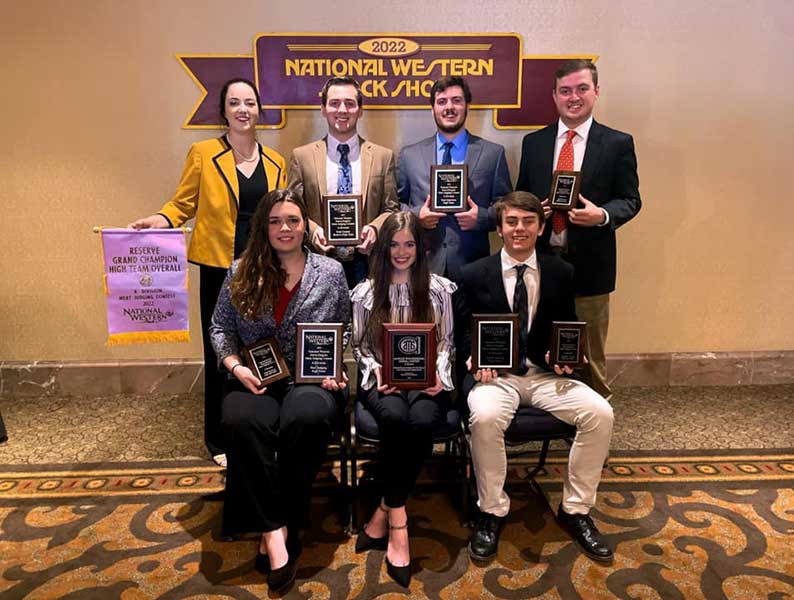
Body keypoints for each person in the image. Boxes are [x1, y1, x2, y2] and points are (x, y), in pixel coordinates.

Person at [129, 78, 287, 465]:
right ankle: (219, 440)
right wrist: (160, 219)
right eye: (235, 103)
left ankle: (264, 428)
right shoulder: (203, 153)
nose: (243, 109)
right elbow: (183, 203)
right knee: (221, 351)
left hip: (264, 269)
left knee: (268, 348)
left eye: (250, 102)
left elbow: (284, 216)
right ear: (224, 111)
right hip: (219, 267)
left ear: (259, 111)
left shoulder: (276, 162)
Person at [454, 191, 615, 564]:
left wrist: (563, 357)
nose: (519, 229)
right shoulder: (474, 273)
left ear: (541, 228)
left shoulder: (561, 271)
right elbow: (462, 333)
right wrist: (474, 358)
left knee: (599, 413)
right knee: (486, 416)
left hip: (545, 376)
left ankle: (575, 509)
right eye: (511, 222)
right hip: (498, 378)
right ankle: (492, 511)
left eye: (528, 222)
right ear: (499, 228)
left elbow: (566, 327)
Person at [209, 188, 350, 593]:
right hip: (255, 379)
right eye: (275, 221)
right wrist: (234, 367)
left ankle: (274, 520)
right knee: (239, 421)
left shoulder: (331, 272)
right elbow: (220, 328)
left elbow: (346, 329)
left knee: (306, 417)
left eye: (292, 220)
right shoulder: (241, 271)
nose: (284, 228)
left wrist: (336, 368)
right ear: (263, 228)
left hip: (311, 381)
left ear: (306, 226)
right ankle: (276, 531)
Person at [516, 59, 641, 398]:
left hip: (592, 265)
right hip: (541, 262)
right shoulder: (534, 143)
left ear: (596, 92)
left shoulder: (617, 143)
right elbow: (521, 195)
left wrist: (600, 214)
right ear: (555, 96)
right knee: (540, 343)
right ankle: (553, 413)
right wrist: (533, 212)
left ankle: (596, 424)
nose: (574, 97)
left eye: (582, 89)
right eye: (565, 91)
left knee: (589, 353)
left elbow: (631, 200)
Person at [350, 211, 456, 588]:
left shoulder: (439, 290)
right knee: (395, 420)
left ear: (420, 248)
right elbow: (360, 347)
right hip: (383, 380)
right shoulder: (366, 294)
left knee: (425, 422)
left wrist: (437, 378)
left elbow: (446, 343)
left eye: (409, 244)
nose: (401, 251)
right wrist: (377, 371)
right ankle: (400, 522)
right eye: (393, 244)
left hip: (426, 383)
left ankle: (384, 509)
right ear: (382, 248)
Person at [397, 76, 512, 280]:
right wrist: (416, 215)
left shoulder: (492, 153)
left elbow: (506, 204)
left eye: (456, 100)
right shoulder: (409, 155)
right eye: (442, 102)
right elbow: (395, 204)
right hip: (423, 265)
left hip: (473, 267)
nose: (449, 107)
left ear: (467, 105)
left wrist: (482, 218)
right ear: (432, 109)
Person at [288, 77, 399, 288]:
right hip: (318, 261)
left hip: (367, 262)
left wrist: (375, 229)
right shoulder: (301, 157)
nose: (342, 110)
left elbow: (391, 208)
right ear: (323, 108)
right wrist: (313, 231)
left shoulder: (383, 156)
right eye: (334, 103)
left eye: (350, 103)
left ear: (360, 110)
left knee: (365, 320)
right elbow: (293, 209)